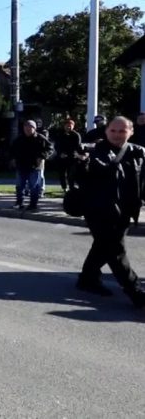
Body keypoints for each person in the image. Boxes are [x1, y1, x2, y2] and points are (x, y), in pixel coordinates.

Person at [74, 116, 145, 308]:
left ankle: (87, 279)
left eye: (122, 131)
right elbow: (81, 176)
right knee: (115, 250)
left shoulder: (138, 152)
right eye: (113, 130)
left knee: (102, 247)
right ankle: (136, 292)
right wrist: (81, 162)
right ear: (106, 131)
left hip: (126, 210)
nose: (116, 134)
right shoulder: (95, 151)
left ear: (131, 132)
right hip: (98, 210)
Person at [10, 120, 53, 210]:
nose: (27, 129)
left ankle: (33, 204)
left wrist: (42, 156)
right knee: (19, 186)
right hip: (21, 165)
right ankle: (19, 202)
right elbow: (12, 150)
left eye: (30, 127)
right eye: (26, 127)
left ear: (34, 128)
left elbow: (50, 148)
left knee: (34, 186)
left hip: (35, 166)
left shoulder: (40, 138)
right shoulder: (19, 139)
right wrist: (13, 159)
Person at [54, 119, 82, 193]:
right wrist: (60, 153)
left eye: (70, 126)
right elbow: (56, 145)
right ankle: (64, 187)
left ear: (73, 126)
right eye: (67, 126)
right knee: (61, 174)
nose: (68, 127)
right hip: (61, 157)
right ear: (64, 126)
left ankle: (71, 188)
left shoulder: (76, 135)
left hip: (72, 158)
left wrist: (69, 154)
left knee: (71, 174)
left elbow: (77, 147)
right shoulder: (60, 134)